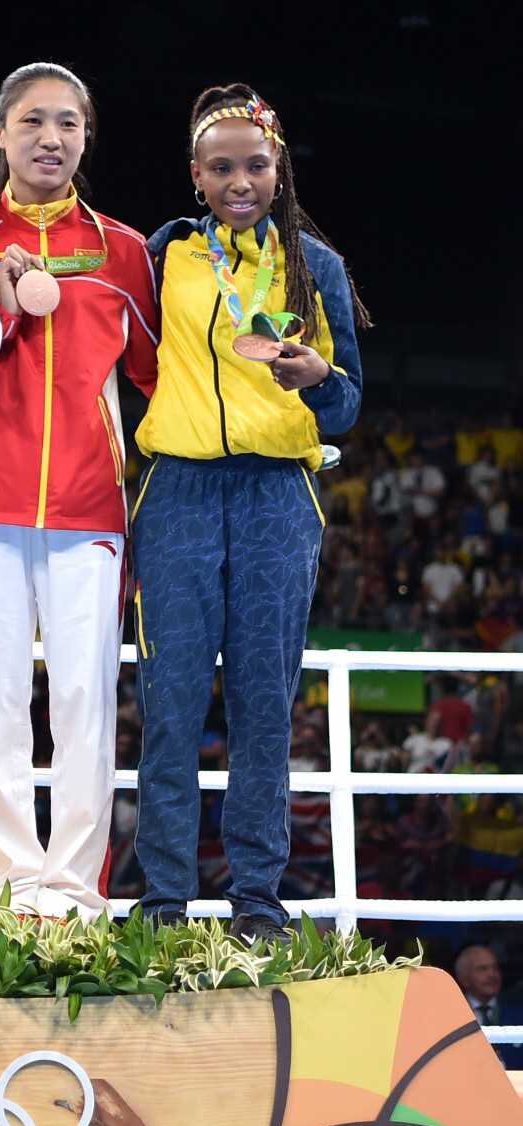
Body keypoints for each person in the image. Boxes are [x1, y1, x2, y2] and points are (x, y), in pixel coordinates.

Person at [132, 83, 369, 942]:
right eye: (222, 168)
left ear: (279, 170)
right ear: (196, 175)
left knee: (264, 705)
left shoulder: (316, 267)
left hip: (277, 496)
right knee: (170, 703)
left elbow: (346, 407)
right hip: (179, 492)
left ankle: (258, 903)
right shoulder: (165, 255)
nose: (241, 182)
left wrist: (319, 379)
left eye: (257, 166)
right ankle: (163, 903)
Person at [0, 63, 157, 919]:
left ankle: (74, 891)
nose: (51, 138)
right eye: (32, 121)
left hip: (89, 506)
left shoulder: (124, 253)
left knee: (84, 704)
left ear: (86, 136)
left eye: (68, 122)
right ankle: (14, 889)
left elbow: (158, 380)